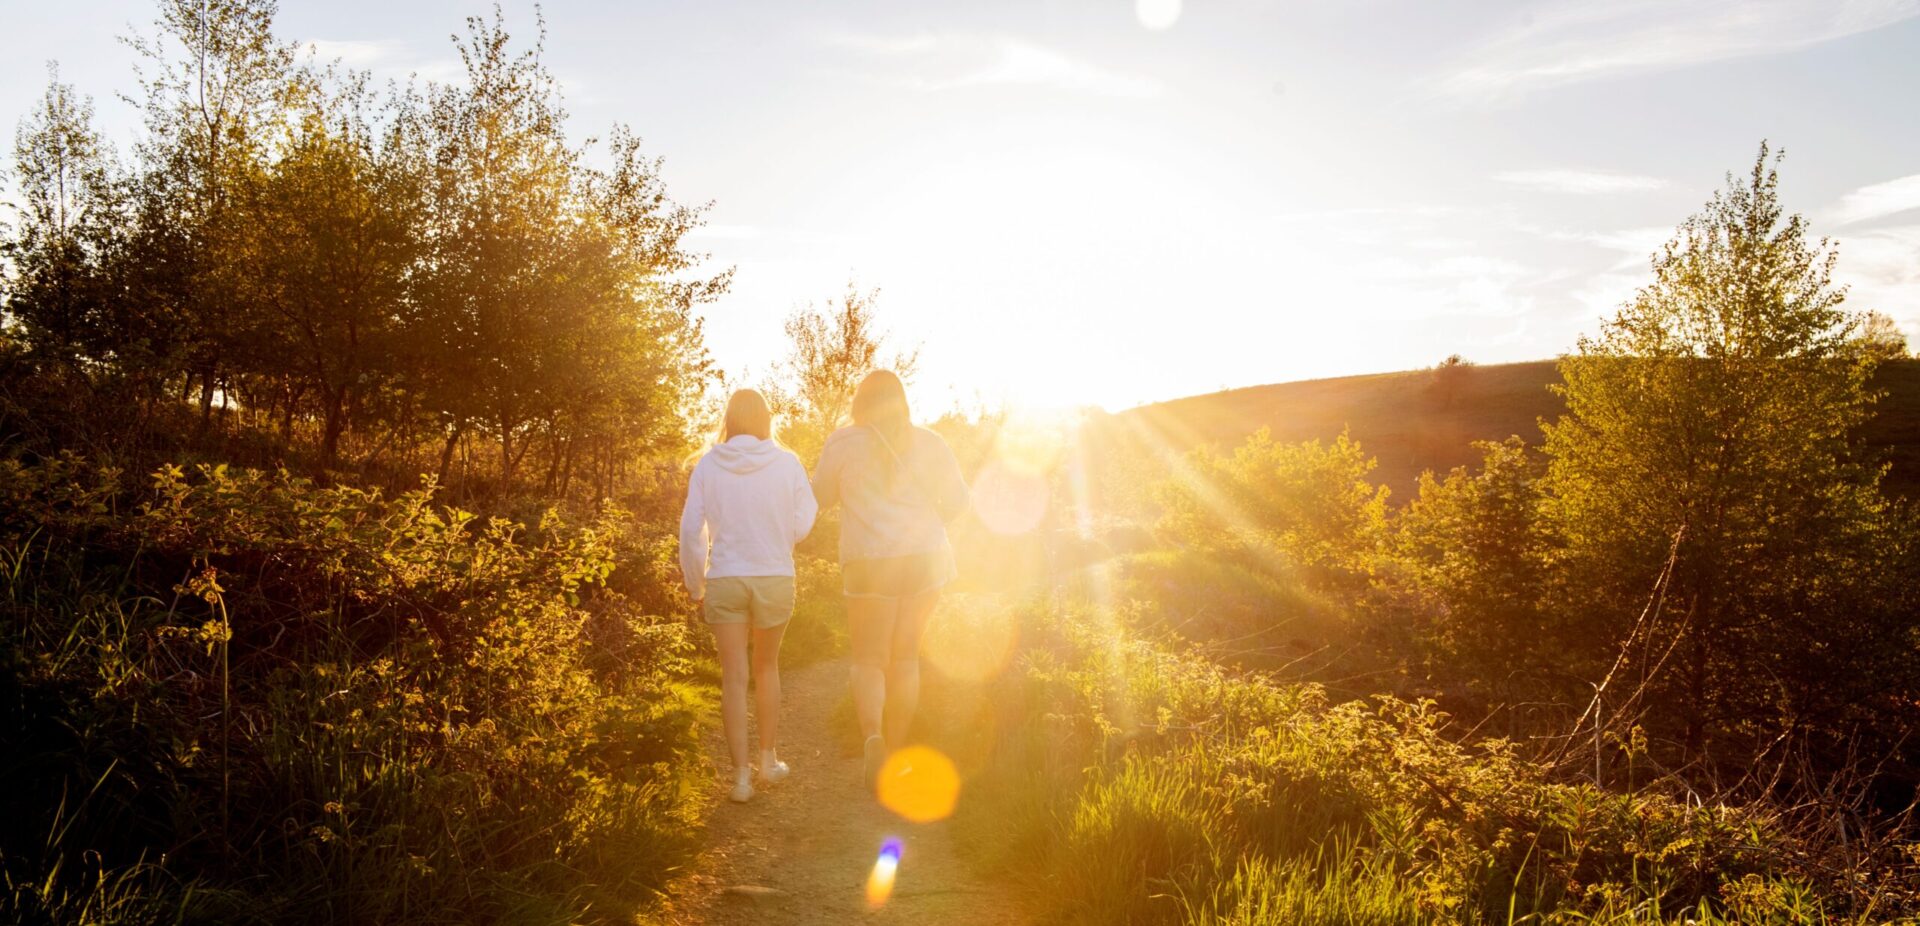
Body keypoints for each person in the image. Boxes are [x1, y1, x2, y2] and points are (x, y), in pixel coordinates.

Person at [811, 370, 970, 787]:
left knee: (868, 659)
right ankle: (896, 752)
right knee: (905, 658)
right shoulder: (931, 442)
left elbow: (820, 498)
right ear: (902, 402)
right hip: (925, 559)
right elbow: (959, 502)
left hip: (868, 561)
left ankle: (873, 737)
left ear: (860, 403)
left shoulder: (842, 442)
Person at [680, 389, 818, 803]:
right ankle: (768, 762)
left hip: (725, 577)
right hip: (774, 573)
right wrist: (783, 536)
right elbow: (807, 515)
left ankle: (740, 779)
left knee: (734, 678)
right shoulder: (787, 462)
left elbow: (691, 532)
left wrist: (695, 585)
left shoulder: (708, 465)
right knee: (767, 668)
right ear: (765, 419)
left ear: (730, 419)